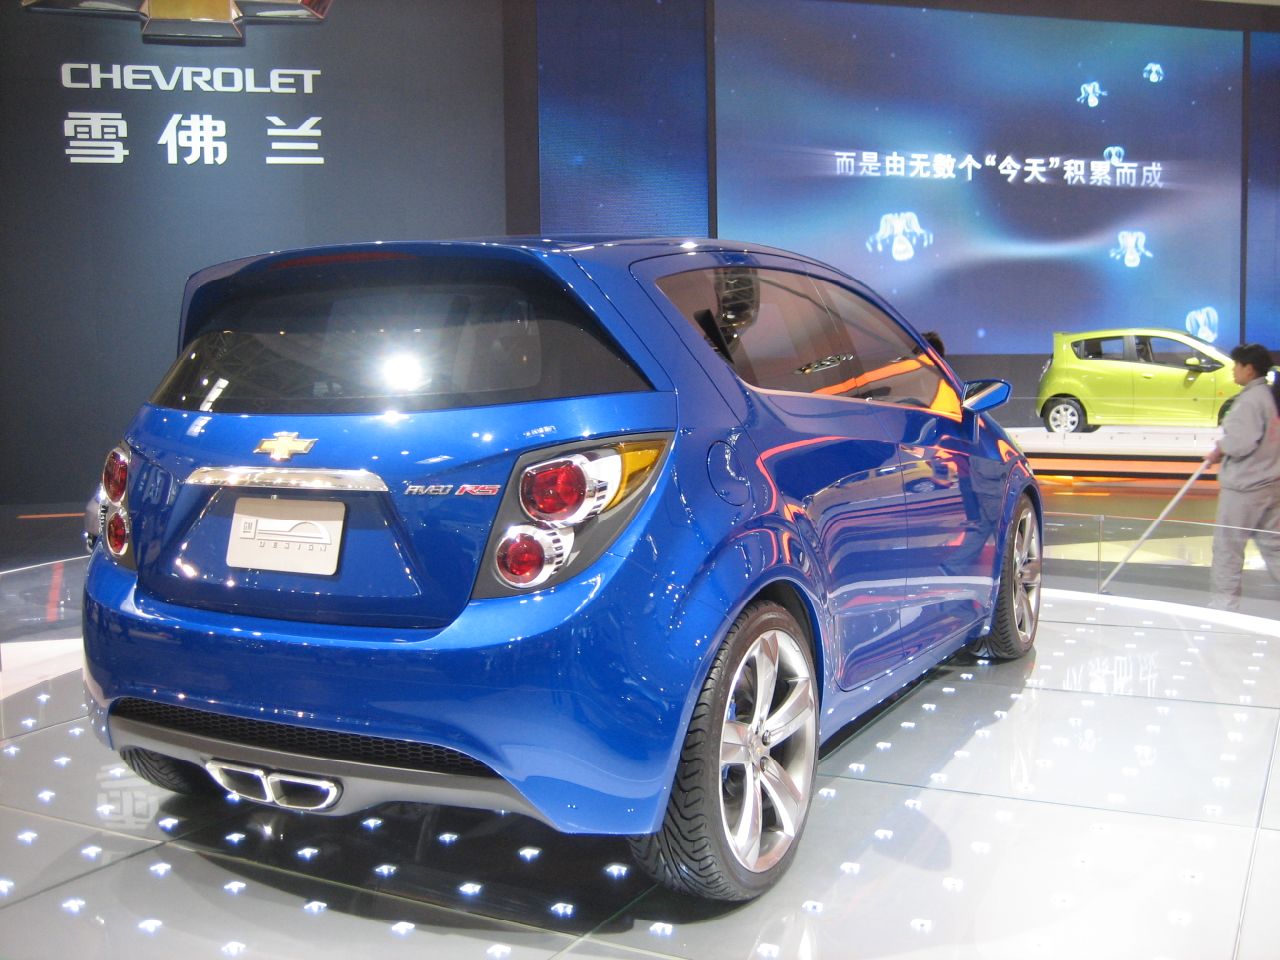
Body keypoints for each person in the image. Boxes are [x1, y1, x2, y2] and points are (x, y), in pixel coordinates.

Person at [1205, 343, 1280, 610]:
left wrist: (1221, 447)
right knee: (1275, 547)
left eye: (1237, 365)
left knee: (1228, 549)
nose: (1233, 370)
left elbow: (1241, 443)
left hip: (1244, 489)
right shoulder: (1268, 397)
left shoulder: (1249, 401)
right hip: (1270, 483)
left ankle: (1223, 608)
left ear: (1249, 369)